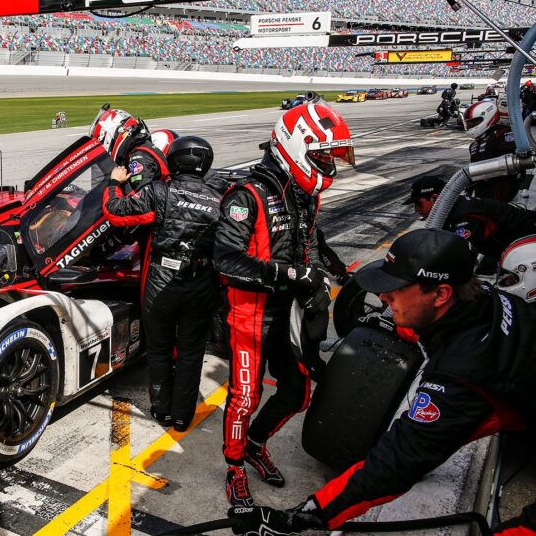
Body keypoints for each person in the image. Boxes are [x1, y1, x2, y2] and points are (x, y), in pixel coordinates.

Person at [227, 229, 535, 536]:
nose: (384, 297)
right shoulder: (485, 300)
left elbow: (397, 463)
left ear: (441, 294)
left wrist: (304, 516)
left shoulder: (463, 374)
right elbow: (431, 328)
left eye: (395, 288)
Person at [214, 101, 355, 507]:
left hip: (288, 313)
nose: (329, 164)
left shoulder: (304, 194)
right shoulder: (246, 196)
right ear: (296, 147)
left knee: (297, 392)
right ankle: (234, 467)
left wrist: (317, 278)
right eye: (323, 156)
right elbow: (225, 261)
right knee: (245, 397)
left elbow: (309, 246)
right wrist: (292, 274)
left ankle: (255, 444)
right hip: (249, 313)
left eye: (331, 156)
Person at [102, 136, 221, 431]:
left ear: (174, 160)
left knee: (158, 349)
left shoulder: (159, 192)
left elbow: (115, 212)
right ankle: (182, 417)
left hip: (161, 282)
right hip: (201, 283)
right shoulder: (219, 198)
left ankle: (162, 410)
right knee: (191, 353)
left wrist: (114, 183)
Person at [405, 175, 536, 266]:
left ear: (434, 198)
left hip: (527, 243)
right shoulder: (453, 207)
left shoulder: (463, 216)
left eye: (418, 204)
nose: (416, 209)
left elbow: (470, 258)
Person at [463, 100, 523, 202]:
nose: (471, 126)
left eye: (474, 122)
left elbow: (512, 165)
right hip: (482, 194)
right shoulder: (473, 145)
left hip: (502, 194)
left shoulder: (503, 133)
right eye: (469, 123)